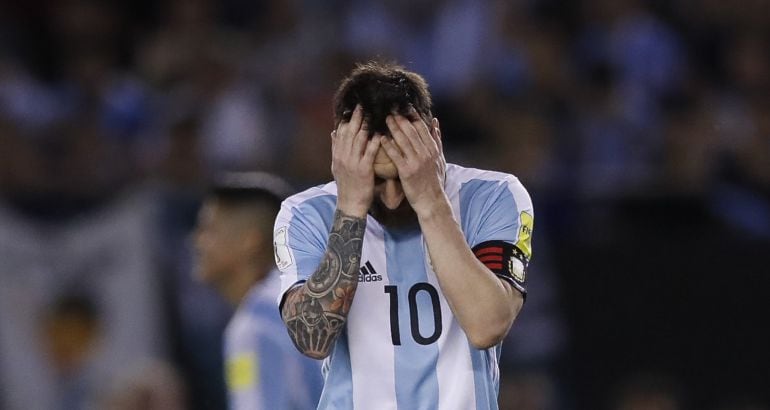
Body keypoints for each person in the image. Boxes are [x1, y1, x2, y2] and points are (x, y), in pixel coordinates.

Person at [273, 61, 534, 409]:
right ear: (342, 153)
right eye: (377, 180)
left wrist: (429, 199)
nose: (395, 197)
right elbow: (311, 339)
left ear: (434, 140)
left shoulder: (493, 196)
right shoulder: (305, 213)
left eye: (404, 176)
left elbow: (487, 324)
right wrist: (351, 207)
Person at [194, 172, 324, 409]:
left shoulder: (254, 325)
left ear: (249, 242)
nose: (197, 241)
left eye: (209, 230)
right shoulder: (307, 296)